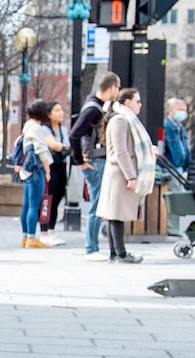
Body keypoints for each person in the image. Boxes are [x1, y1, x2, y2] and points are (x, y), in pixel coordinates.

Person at [96, 88, 155, 264]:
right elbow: (121, 150)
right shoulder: (120, 120)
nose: (140, 105)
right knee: (117, 214)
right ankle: (120, 253)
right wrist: (131, 176)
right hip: (120, 172)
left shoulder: (122, 119)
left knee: (115, 214)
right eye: (137, 101)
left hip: (119, 171)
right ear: (127, 102)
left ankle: (116, 253)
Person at [71, 72, 121, 261]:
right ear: (112, 87)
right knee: (98, 205)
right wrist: (80, 161)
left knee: (98, 204)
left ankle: (92, 246)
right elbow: (74, 135)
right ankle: (91, 248)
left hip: (93, 159)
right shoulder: (93, 109)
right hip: (94, 160)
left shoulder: (93, 106)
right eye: (117, 87)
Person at [16, 99, 55, 249]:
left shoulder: (27, 126)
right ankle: (32, 238)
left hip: (26, 170)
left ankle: (26, 236)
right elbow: (41, 151)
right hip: (35, 169)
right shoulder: (37, 129)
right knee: (34, 205)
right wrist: (47, 170)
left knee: (27, 205)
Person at [39, 101, 70, 245]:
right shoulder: (44, 129)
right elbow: (53, 145)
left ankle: (51, 231)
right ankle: (44, 232)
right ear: (49, 114)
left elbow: (65, 146)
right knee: (48, 199)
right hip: (50, 167)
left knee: (57, 198)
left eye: (61, 110)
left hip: (62, 166)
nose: (60, 113)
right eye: (57, 110)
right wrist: (65, 148)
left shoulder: (63, 130)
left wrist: (65, 148)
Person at [162, 98, 190, 175]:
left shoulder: (181, 129)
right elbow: (161, 150)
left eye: (185, 110)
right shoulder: (164, 127)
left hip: (180, 169)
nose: (183, 113)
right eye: (180, 110)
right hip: (169, 169)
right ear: (171, 110)